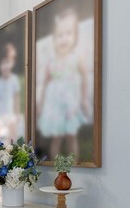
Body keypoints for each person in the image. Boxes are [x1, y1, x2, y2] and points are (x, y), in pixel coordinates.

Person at [37, 8, 90, 159]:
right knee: (57, 137)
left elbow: (85, 76)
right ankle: (57, 168)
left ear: (75, 36)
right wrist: (40, 104)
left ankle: (74, 165)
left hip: (70, 104)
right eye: (59, 35)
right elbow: (45, 84)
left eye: (68, 33)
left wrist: (84, 99)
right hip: (55, 106)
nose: (64, 39)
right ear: (54, 39)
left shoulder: (76, 58)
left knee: (71, 135)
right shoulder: (51, 62)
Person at [0, 42, 21, 139]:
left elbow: (16, 97)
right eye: (3, 64)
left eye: (8, 63)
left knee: (12, 133)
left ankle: (11, 149)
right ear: (0, 66)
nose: (5, 67)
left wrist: (17, 114)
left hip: (10, 114)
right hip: (0, 115)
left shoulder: (14, 80)